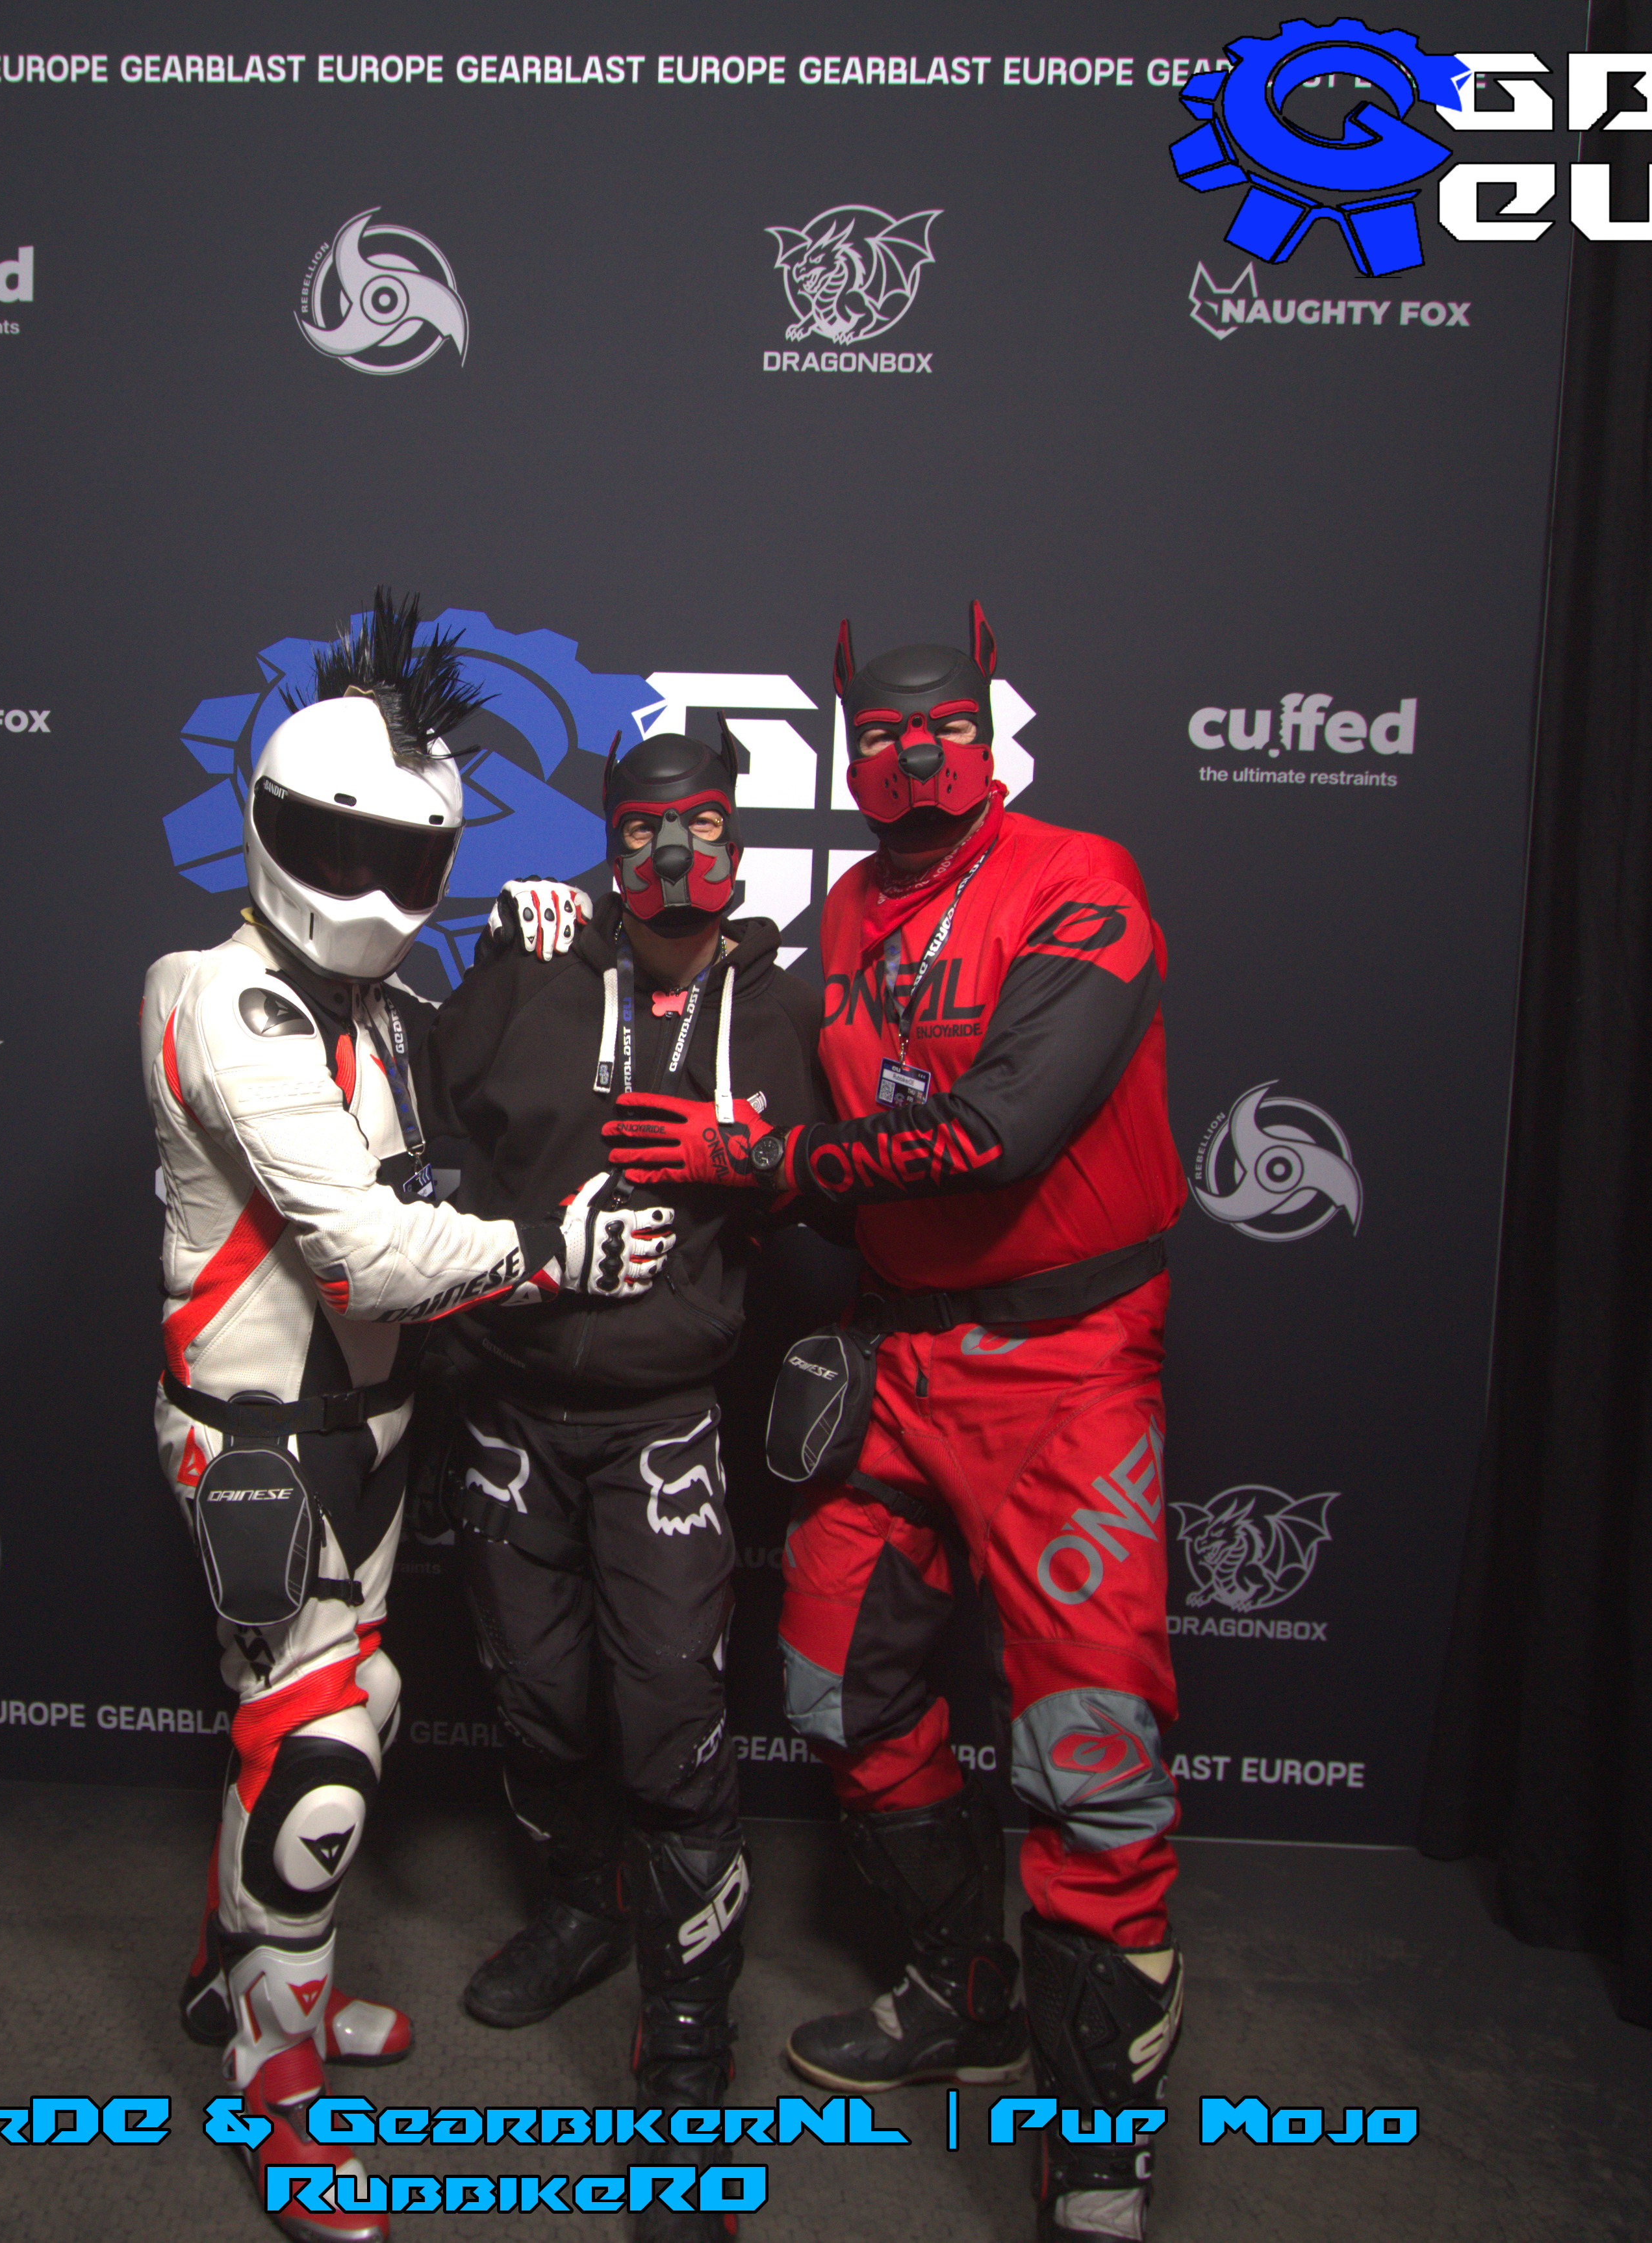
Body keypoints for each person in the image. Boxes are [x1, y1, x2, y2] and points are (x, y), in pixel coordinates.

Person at [604, 607, 1188, 2243]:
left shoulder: (1081, 879)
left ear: (990, 735)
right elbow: (748, 1036)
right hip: (896, 1353)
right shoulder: (848, 909)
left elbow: (1000, 1133)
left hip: (1066, 1362)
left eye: (943, 731)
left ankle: (1096, 2150)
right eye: (880, 737)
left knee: (1091, 1758)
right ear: (845, 751)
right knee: (829, 1683)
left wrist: (767, 1165)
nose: (914, 760)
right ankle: (961, 1985)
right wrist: (569, 934)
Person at [145, 591, 677, 2243]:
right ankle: (275, 2079)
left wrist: (526, 945)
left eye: (409, 861)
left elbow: (467, 1099)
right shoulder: (220, 997)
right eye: (340, 848)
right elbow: (368, 1252)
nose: (374, 893)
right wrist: (551, 1251)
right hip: (260, 1440)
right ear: (268, 825)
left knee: (322, 1706)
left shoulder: (370, 1008)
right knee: (318, 1758)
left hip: (366, 1433)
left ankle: (232, 1975)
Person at [422, 728, 825, 2242]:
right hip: (509, 1404)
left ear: (736, 840)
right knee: (533, 1694)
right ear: (609, 841)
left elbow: (845, 1179)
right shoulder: (535, 963)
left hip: (661, 1414)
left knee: (668, 1715)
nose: (673, 857)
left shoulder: (780, 1006)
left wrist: (754, 1158)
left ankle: (686, 2056)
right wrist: (489, 957)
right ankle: (579, 1912)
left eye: (702, 827)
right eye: (645, 830)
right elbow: (425, 1110)